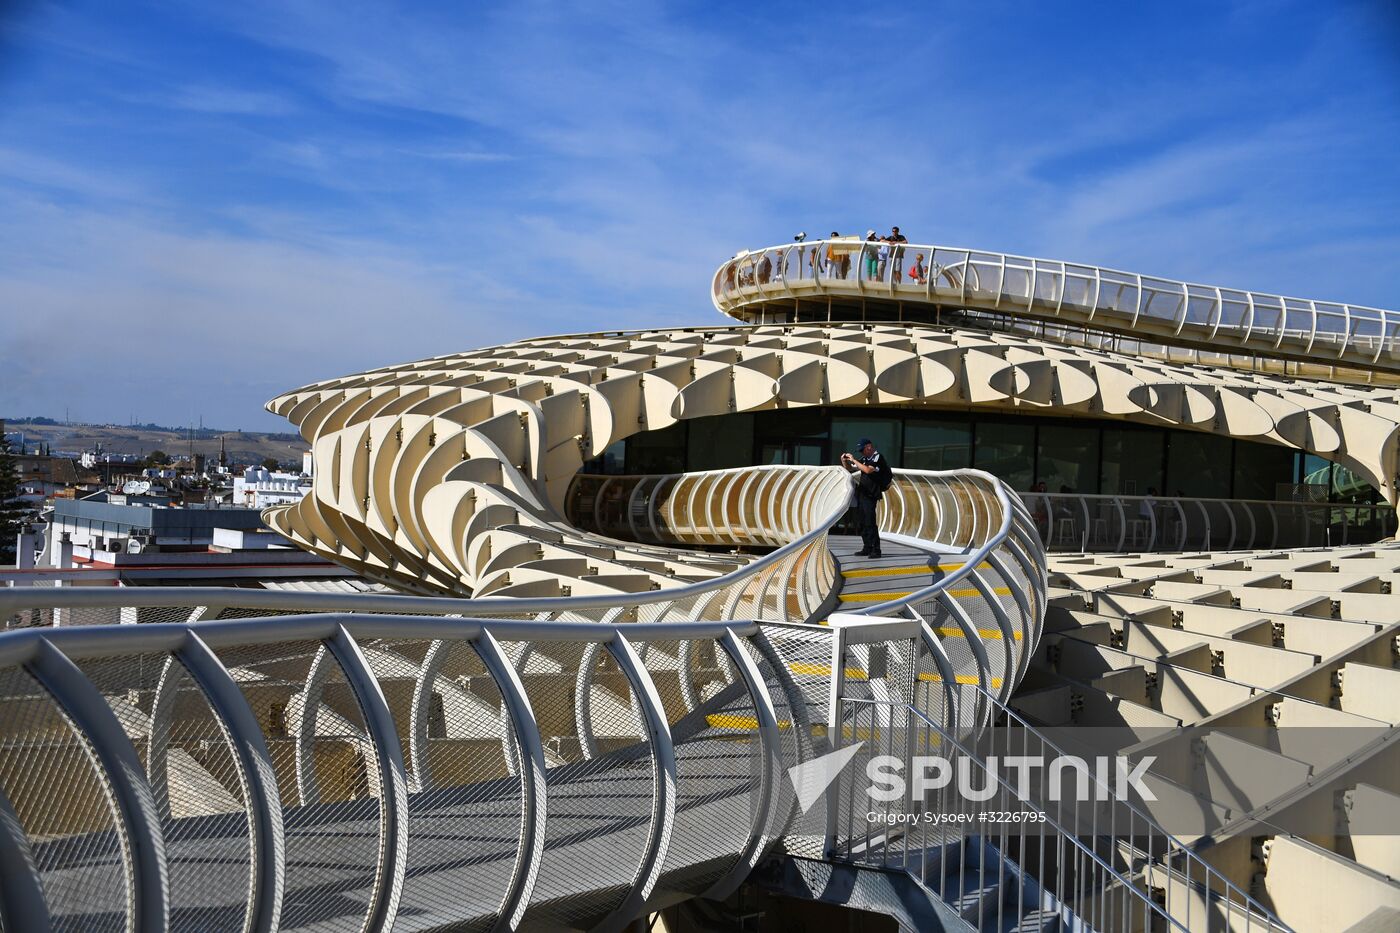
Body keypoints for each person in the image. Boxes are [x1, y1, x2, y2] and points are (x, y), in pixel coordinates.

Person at [841, 438, 893, 558]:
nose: (861, 453)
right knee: (862, 522)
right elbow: (850, 468)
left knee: (870, 522)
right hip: (862, 493)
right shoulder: (865, 459)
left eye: (862, 450)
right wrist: (844, 461)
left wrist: (854, 459)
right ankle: (867, 547)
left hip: (871, 494)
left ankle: (876, 550)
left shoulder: (877, 457)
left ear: (869, 447)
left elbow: (868, 470)